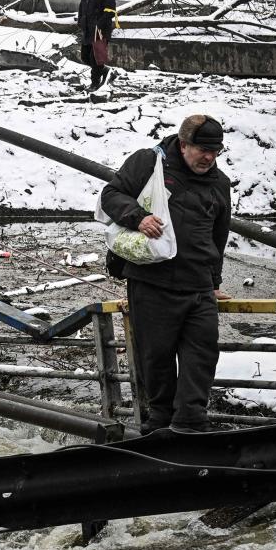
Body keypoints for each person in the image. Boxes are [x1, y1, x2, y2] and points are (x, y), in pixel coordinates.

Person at [99, 114, 232, 434]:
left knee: (202, 355)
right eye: (203, 150)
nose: (209, 157)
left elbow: (218, 236)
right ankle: (159, 425)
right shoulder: (149, 163)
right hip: (153, 283)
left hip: (198, 286)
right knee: (156, 357)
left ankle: (191, 423)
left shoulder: (219, 183)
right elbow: (111, 196)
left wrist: (213, 282)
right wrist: (138, 217)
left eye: (216, 151)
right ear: (184, 144)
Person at [77, 0, 117, 92]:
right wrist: (80, 21)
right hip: (88, 30)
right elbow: (81, 8)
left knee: (96, 58)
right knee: (84, 56)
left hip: (100, 30)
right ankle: (104, 70)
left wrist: (99, 24)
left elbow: (111, 11)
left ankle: (95, 84)